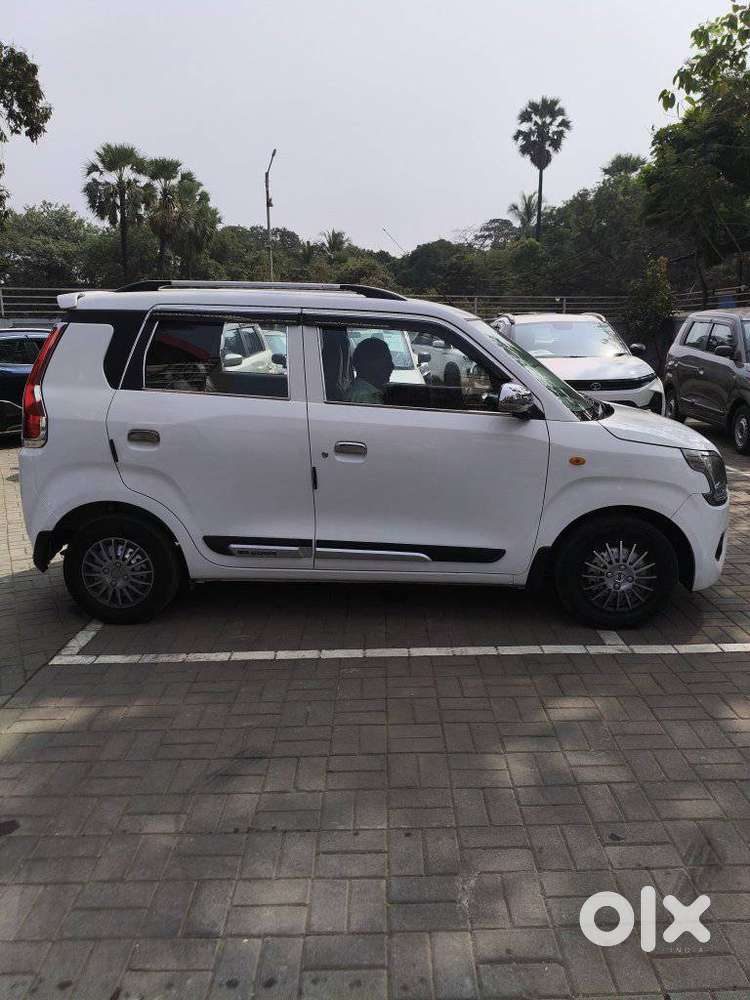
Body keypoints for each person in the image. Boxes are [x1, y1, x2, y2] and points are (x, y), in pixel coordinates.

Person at [347, 337, 394, 404]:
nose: (392, 367)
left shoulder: (363, 391)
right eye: (386, 363)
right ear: (367, 365)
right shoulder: (364, 397)